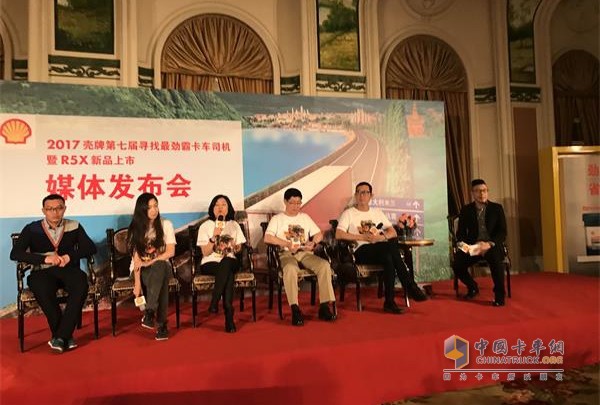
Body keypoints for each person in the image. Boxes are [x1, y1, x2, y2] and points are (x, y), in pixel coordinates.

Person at [10, 194, 96, 353]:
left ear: (65, 209)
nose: (55, 212)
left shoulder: (74, 226)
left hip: (67, 269)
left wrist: (69, 256)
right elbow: (15, 254)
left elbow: (90, 247)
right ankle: (65, 336)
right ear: (43, 211)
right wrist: (45, 259)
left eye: (59, 208)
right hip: (42, 271)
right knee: (42, 289)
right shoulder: (32, 228)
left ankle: (60, 336)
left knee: (80, 283)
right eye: (50, 209)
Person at [335, 182, 428, 315]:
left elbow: (393, 232)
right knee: (391, 248)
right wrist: (362, 237)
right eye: (359, 192)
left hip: (380, 248)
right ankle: (410, 286)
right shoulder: (349, 213)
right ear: (355, 195)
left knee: (389, 257)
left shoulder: (377, 212)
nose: (362, 195)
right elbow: (339, 234)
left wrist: (380, 237)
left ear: (371, 195)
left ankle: (390, 302)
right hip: (361, 250)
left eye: (366, 192)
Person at [264, 188, 336, 326]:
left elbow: (318, 234)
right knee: (290, 269)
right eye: (293, 203)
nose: (296, 206)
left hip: (305, 253)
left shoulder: (305, 217)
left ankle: (324, 306)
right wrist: (287, 244)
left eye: (298, 203)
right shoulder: (277, 219)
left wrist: (313, 242)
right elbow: (267, 238)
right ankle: (295, 308)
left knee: (324, 265)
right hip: (286, 253)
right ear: (285, 202)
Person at [128, 193, 175, 340]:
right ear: (142, 210)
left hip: (161, 265)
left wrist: (150, 262)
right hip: (140, 270)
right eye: (149, 208)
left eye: (156, 206)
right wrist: (137, 284)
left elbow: (170, 252)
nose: (154, 210)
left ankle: (149, 312)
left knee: (160, 266)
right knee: (160, 281)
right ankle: (162, 325)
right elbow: (136, 260)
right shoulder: (136, 227)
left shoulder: (166, 224)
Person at [453, 179, 507, 306]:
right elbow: (460, 233)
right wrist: (465, 247)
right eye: (477, 191)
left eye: (484, 190)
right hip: (474, 246)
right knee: (457, 264)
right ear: (472, 193)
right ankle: (472, 286)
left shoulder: (497, 208)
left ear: (487, 192)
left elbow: (502, 232)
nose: (481, 194)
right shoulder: (466, 210)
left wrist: (489, 244)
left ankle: (499, 296)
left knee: (496, 262)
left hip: (491, 245)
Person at [196, 195, 246, 333]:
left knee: (227, 261)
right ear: (212, 209)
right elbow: (205, 252)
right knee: (227, 273)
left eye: (223, 205)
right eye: (217, 205)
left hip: (230, 260)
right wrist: (214, 237)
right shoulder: (205, 226)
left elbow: (239, 249)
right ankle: (229, 316)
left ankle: (214, 301)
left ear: (228, 208)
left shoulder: (234, 225)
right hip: (210, 263)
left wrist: (234, 246)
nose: (220, 208)